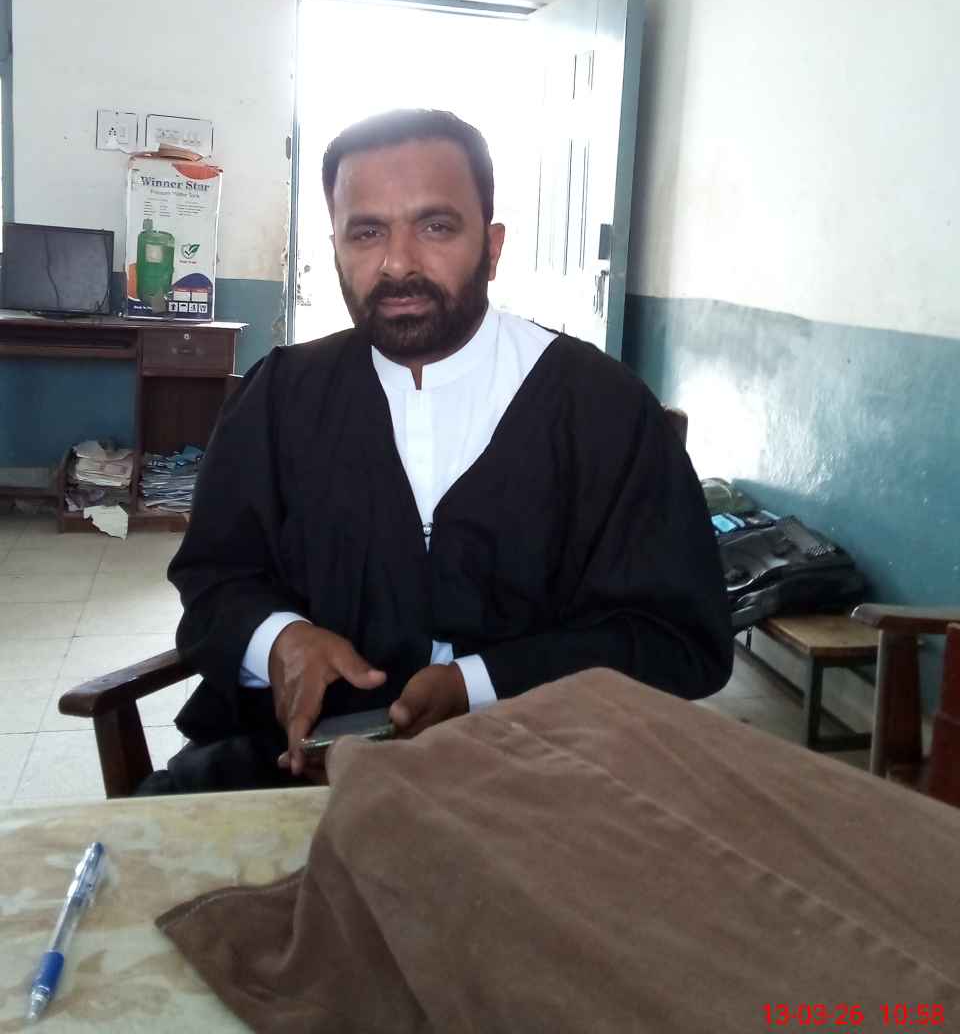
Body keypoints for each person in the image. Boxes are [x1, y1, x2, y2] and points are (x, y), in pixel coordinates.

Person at [149, 108, 731, 794]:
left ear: (493, 245)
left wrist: (476, 684)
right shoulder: (279, 399)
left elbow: (674, 636)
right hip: (295, 766)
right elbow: (216, 579)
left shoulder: (601, 408)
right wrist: (279, 640)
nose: (398, 263)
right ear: (334, 246)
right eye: (367, 232)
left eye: (435, 227)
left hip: (543, 774)